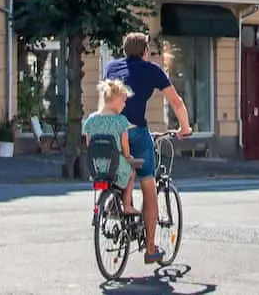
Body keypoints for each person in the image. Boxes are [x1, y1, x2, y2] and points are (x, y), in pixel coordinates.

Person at [103, 32, 192, 265]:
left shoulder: (111, 67)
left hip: (109, 130)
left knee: (122, 166)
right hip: (135, 131)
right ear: (145, 52)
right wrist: (184, 126)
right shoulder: (152, 69)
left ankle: (116, 200)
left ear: (124, 51)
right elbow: (176, 101)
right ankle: (151, 248)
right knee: (149, 186)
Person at [81, 79, 140, 214]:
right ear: (116, 101)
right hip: (116, 165)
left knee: (110, 178)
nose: (125, 105)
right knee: (131, 173)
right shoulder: (121, 121)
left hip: (97, 166)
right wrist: (129, 157)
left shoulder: (91, 120)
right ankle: (127, 205)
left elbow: (90, 144)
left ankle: (110, 203)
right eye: (124, 101)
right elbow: (125, 148)